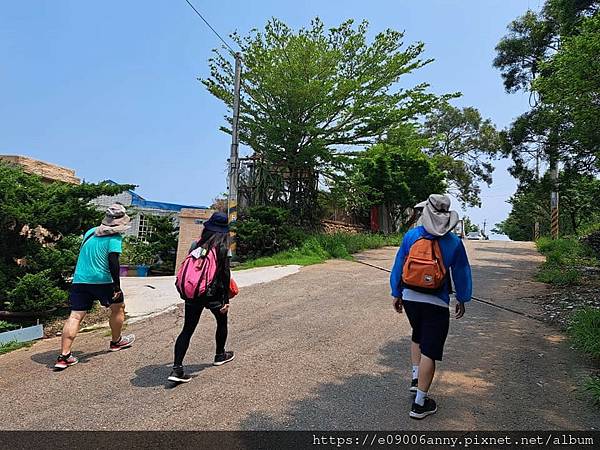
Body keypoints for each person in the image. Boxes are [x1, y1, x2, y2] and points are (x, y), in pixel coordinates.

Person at [390, 194, 472, 419]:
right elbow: (462, 272)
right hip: (436, 301)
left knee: (418, 334)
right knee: (430, 350)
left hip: (410, 299)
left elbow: (399, 265)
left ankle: (416, 379)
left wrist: (396, 293)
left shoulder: (412, 235)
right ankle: (419, 403)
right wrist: (462, 298)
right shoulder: (454, 242)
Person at [55, 203, 135, 370]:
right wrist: (116, 287)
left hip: (80, 279)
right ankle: (116, 341)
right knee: (118, 307)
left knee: (75, 316)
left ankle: (64, 356)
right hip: (102, 280)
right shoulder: (115, 238)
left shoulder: (90, 232)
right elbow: (113, 262)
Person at [168, 212, 234, 383]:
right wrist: (226, 300)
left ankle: (176, 369)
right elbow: (225, 274)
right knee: (221, 323)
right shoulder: (223, 248)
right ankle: (220, 354)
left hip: (195, 292)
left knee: (187, 330)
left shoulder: (196, 244)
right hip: (214, 294)